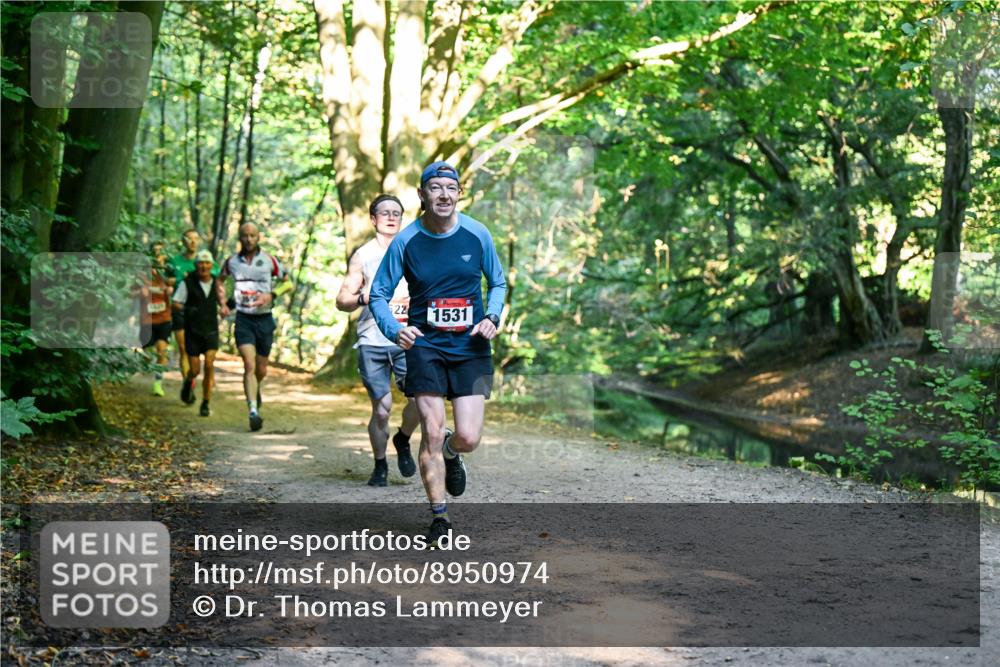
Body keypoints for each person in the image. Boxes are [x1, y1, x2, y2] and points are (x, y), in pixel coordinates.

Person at [369, 161, 506, 545]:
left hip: (471, 346)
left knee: (468, 437)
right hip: (425, 346)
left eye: (451, 188)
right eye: (435, 188)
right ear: (422, 194)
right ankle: (440, 516)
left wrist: (492, 316)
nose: (444, 194)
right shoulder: (406, 241)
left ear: (459, 193)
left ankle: (450, 450)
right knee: (430, 428)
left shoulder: (477, 234)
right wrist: (395, 329)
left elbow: (498, 282)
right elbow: (378, 294)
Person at [336, 194, 420, 487]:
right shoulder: (363, 255)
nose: (391, 217)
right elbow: (342, 300)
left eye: (396, 213)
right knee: (382, 409)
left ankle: (403, 438)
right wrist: (364, 297)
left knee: (420, 400)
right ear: (373, 219)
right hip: (372, 340)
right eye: (384, 213)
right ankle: (380, 464)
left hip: (407, 338)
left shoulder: (414, 251)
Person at [218, 223, 289, 431]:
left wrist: (271, 295)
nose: (248, 239)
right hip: (243, 319)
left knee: (261, 369)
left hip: (264, 319)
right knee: (249, 365)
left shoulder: (269, 261)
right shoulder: (231, 262)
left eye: (252, 236)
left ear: (258, 237)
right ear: (240, 238)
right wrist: (223, 303)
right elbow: (219, 281)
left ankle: (255, 389)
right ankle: (253, 411)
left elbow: (288, 282)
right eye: (245, 236)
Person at [173, 250, 220, 417]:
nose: (204, 266)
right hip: (193, 332)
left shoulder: (217, 283)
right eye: (200, 263)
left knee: (209, 365)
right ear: (196, 265)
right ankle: (188, 382)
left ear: (212, 266)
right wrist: (187, 309)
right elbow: (176, 302)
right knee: (195, 370)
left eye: (207, 263)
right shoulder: (188, 282)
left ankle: (205, 403)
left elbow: (225, 301)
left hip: (211, 330)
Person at [138, 241, 172, 397]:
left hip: (164, 318)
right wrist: (141, 292)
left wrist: (171, 289)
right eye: (155, 252)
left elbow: (179, 290)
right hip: (147, 320)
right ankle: (145, 362)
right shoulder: (143, 274)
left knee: (162, 350)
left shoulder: (168, 273)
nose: (158, 255)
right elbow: (130, 292)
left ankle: (158, 383)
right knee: (148, 354)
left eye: (160, 252)